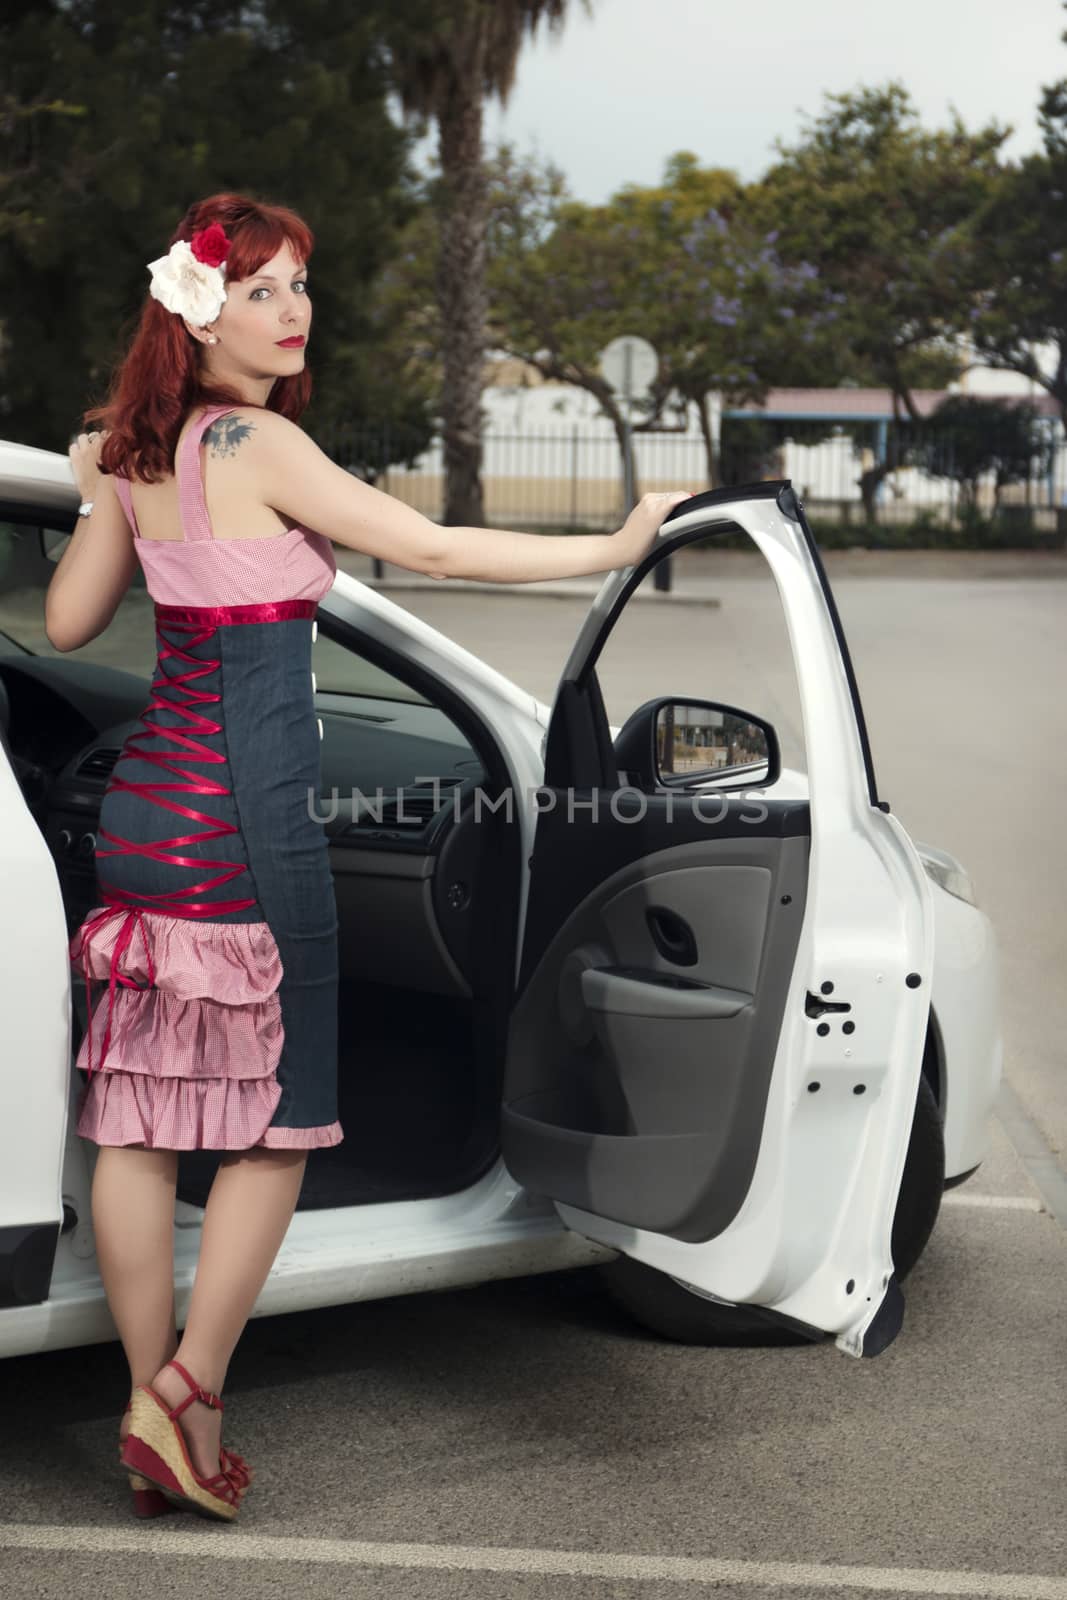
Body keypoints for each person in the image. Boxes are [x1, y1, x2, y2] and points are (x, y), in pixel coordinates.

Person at [46, 191, 692, 1523]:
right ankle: (187, 1393)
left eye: (300, 289)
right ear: (202, 308)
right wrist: (620, 544)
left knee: (141, 1124)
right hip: (245, 832)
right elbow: (439, 547)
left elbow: (61, 627)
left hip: (142, 825)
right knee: (279, 1124)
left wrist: (89, 477)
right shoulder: (259, 443)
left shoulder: (136, 455)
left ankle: (145, 1389)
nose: (295, 312)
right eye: (267, 289)